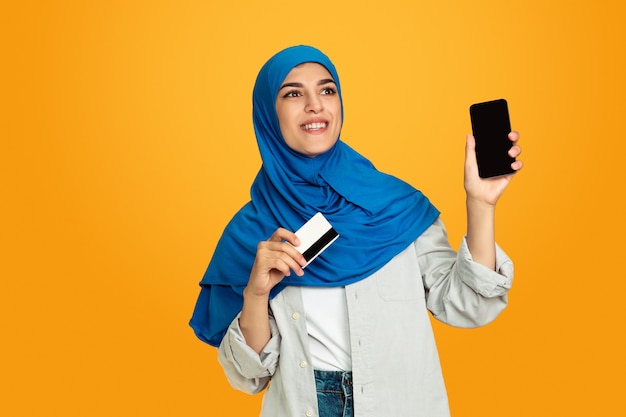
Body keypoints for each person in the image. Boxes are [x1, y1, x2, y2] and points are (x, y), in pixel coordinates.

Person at [190, 45, 523, 417]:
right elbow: (248, 376)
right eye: (294, 93)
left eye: (327, 90)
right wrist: (255, 293)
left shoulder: (395, 205)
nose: (315, 104)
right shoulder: (251, 233)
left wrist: (481, 204)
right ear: (269, 113)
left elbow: (470, 305)